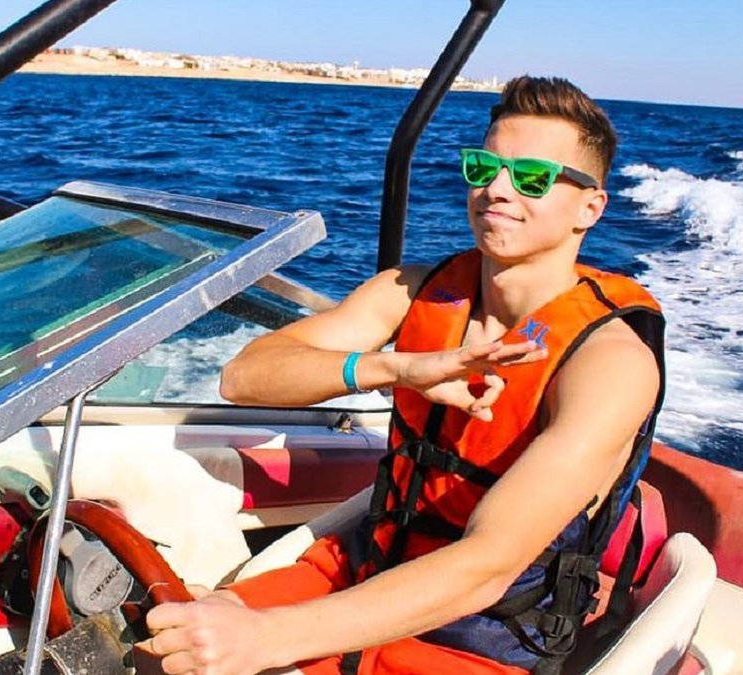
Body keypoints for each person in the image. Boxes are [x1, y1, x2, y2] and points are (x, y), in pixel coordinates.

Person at [138, 75, 665, 675]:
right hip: (363, 567)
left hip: (478, 634)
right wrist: (393, 367)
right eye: (483, 167)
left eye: (532, 178)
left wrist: (262, 638)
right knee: (162, 648)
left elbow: (487, 567)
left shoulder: (610, 364)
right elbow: (242, 377)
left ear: (590, 208)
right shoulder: (412, 292)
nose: (495, 189)